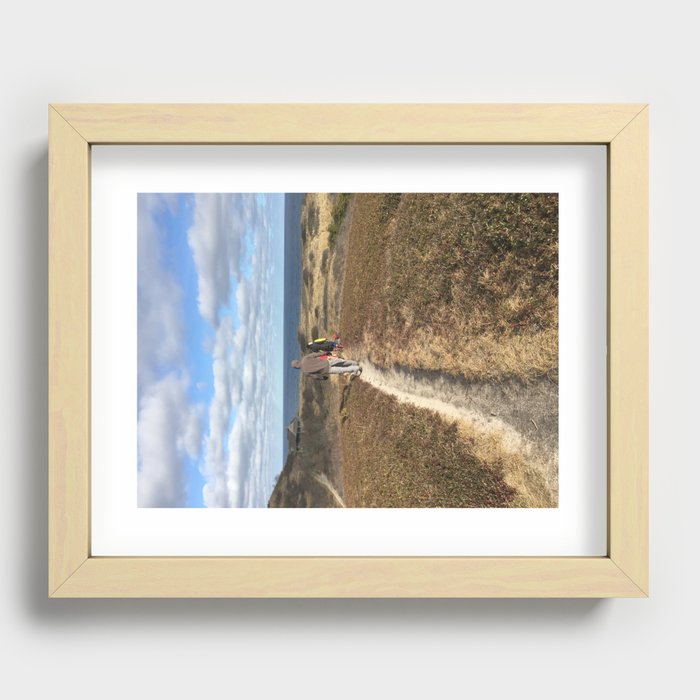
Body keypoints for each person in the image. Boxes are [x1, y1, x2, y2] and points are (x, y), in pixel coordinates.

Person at [291, 352, 361, 380]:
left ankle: (356, 368)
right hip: (328, 360)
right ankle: (354, 363)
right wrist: (325, 353)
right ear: (298, 361)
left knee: (343, 370)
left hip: (327, 369)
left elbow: (315, 376)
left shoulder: (305, 372)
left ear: (296, 367)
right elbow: (315, 354)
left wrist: (323, 378)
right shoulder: (305, 358)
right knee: (343, 362)